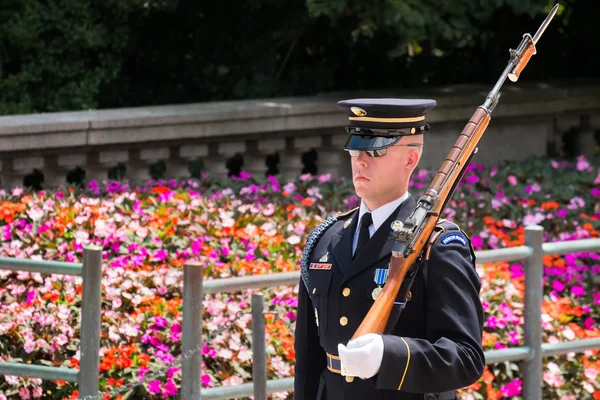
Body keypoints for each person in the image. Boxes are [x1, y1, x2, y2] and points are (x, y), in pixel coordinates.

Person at [293, 98, 485, 400]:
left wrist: (389, 355)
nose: (360, 161)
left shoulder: (440, 245)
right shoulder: (325, 240)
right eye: (355, 150)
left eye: (376, 151)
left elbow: (465, 357)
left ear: (410, 159)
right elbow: (307, 359)